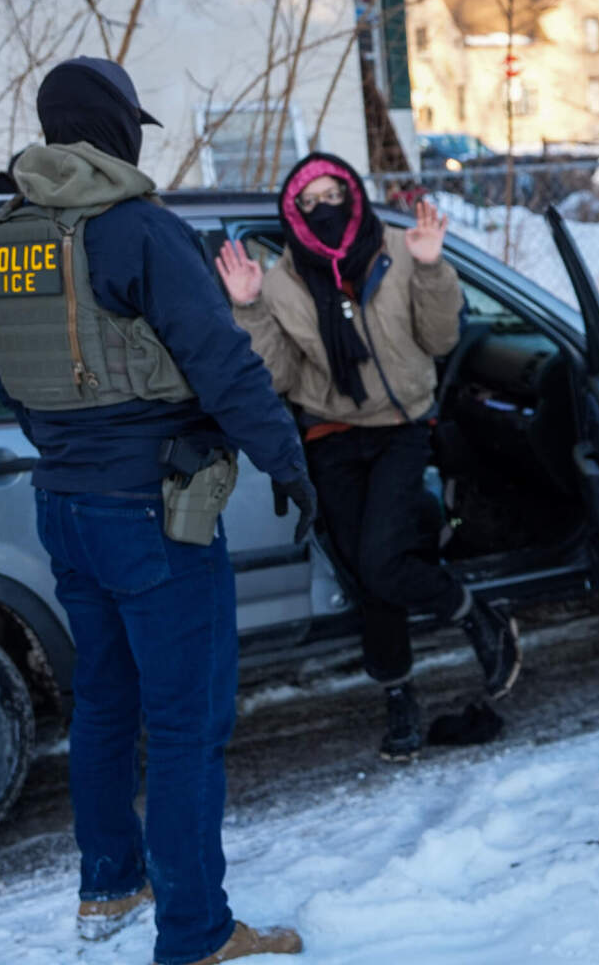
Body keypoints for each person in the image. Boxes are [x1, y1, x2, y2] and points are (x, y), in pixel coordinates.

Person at [0, 56, 315, 965]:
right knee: (188, 722)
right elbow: (224, 364)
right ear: (115, 128)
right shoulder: (141, 232)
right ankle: (198, 932)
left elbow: (10, 373)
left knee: (105, 709)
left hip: (65, 508)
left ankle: (110, 883)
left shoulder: (2, 236)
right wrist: (288, 459)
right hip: (155, 511)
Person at [215, 153, 521, 759]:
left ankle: (473, 614)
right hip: (331, 435)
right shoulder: (283, 282)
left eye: (334, 194)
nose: (324, 209)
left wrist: (433, 268)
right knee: (367, 578)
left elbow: (440, 339)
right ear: (294, 215)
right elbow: (275, 374)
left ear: (353, 196)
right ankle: (399, 695)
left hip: (401, 427)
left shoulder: (400, 252)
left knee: (383, 561)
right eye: (310, 202)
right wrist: (248, 308)